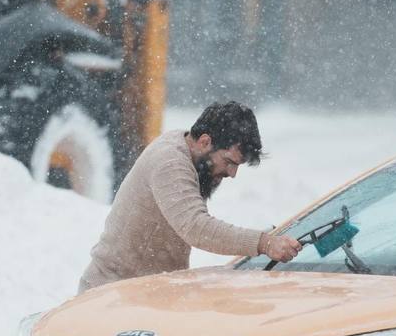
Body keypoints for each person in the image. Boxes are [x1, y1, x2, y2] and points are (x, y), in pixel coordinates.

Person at [78, 101, 302, 292]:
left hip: (144, 293)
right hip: (111, 295)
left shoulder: (191, 153)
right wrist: (264, 243)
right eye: (229, 162)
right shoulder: (170, 161)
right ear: (205, 142)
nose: (232, 174)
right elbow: (196, 227)